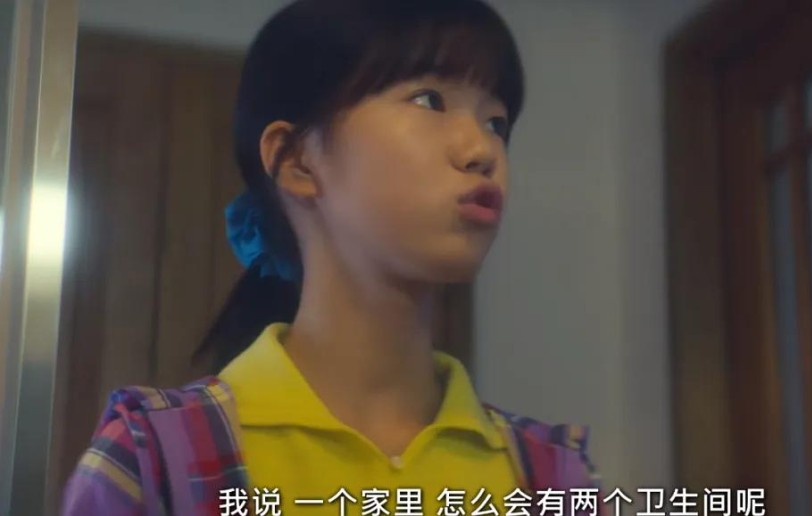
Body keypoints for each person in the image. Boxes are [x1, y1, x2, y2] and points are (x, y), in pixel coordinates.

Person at [62, 0, 601, 514]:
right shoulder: (152, 460)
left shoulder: (551, 477)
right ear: (297, 160)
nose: (482, 151)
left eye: (496, 123)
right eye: (429, 100)